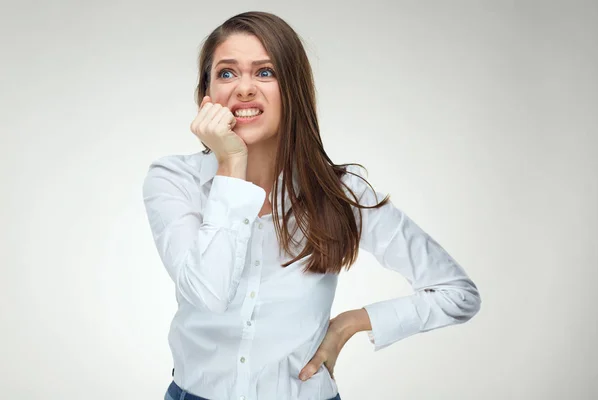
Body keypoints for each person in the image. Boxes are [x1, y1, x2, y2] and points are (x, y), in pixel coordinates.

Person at [142, 11, 482, 400]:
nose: (244, 89)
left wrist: (351, 323)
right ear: (206, 93)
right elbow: (209, 294)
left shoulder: (339, 192)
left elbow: (458, 293)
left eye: (265, 72)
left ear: (293, 89)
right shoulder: (174, 180)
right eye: (226, 73)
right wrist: (231, 164)